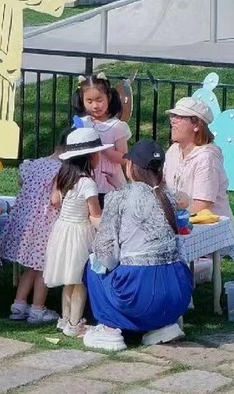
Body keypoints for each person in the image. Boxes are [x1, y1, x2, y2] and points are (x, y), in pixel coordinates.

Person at [84, 139, 194, 351]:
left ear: (131, 166)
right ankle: (161, 326)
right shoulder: (168, 197)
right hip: (176, 290)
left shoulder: (118, 197)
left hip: (138, 289)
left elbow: (106, 253)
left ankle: (110, 330)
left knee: (94, 266)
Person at [42, 126, 108, 337]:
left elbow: (54, 200)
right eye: (98, 153)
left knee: (69, 279)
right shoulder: (87, 183)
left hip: (62, 230)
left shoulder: (64, 176)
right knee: (80, 280)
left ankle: (65, 319)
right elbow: (95, 214)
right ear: (90, 157)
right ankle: (75, 323)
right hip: (80, 232)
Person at [0, 128, 70, 324]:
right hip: (45, 224)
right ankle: (37, 309)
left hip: (27, 220)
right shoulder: (61, 170)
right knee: (44, 268)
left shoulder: (33, 164)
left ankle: (18, 304)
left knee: (30, 267)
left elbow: (22, 182)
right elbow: (55, 199)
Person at [163, 97, 233, 222]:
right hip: (182, 223)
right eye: (173, 116)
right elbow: (163, 184)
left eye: (179, 116)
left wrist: (170, 219)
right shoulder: (173, 151)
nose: (173, 121)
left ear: (196, 125)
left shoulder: (207, 157)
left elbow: (202, 204)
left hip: (210, 229)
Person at [73, 74, 130, 200]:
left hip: (111, 182)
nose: (95, 106)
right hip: (86, 181)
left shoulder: (117, 126)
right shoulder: (82, 123)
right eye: (89, 101)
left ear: (108, 97)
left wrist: (103, 149)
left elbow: (124, 158)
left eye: (99, 100)